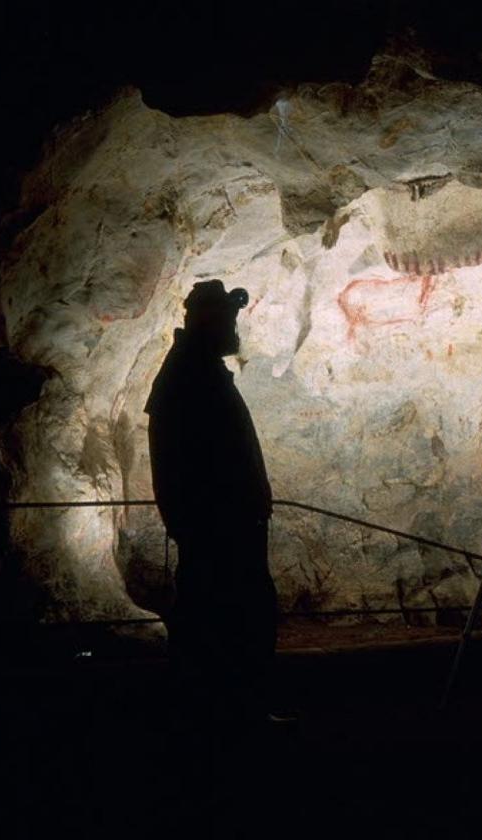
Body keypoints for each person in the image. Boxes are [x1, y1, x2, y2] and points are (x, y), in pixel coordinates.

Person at [145, 279, 276, 729]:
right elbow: (181, 459)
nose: (233, 325)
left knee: (229, 619)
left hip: (223, 524)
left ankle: (227, 715)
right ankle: (223, 720)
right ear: (206, 320)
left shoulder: (194, 370)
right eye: (227, 316)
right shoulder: (188, 375)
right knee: (225, 622)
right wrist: (193, 521)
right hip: (218, 528)